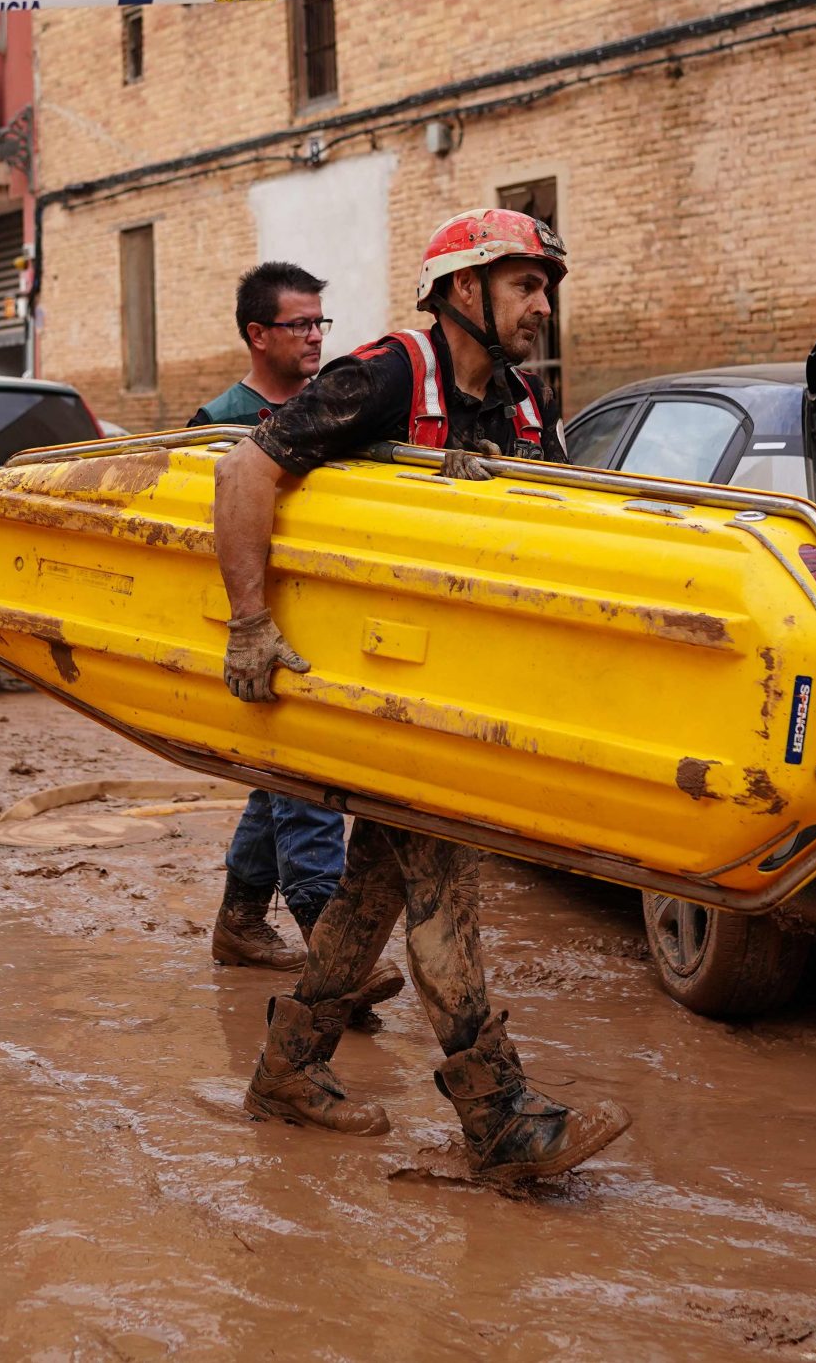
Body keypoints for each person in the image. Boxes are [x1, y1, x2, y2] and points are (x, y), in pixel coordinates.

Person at [212, 207, 630, 1184]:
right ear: (462, 290)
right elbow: (245, 469)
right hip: (368, 681)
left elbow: (568, 531)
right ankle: (500, 1116)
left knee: (376, 884)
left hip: (454, 684)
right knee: (442, 878)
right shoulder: (384, 375)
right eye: (524, 284)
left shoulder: (524, 406)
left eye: (544, 287)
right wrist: (248, 623)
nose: (541, 305)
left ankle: (286, 1069)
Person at [188, 261, 351, 975]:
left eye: (321, 322)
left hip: (328, 620)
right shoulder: (215, 424)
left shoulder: (337, 405)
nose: (315, 337)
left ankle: (240, 922)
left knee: (278, 776)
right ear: (258, 334)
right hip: (256, 624)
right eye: (300, 324)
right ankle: (334, 945)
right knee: (302, 771)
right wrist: (241, 623)